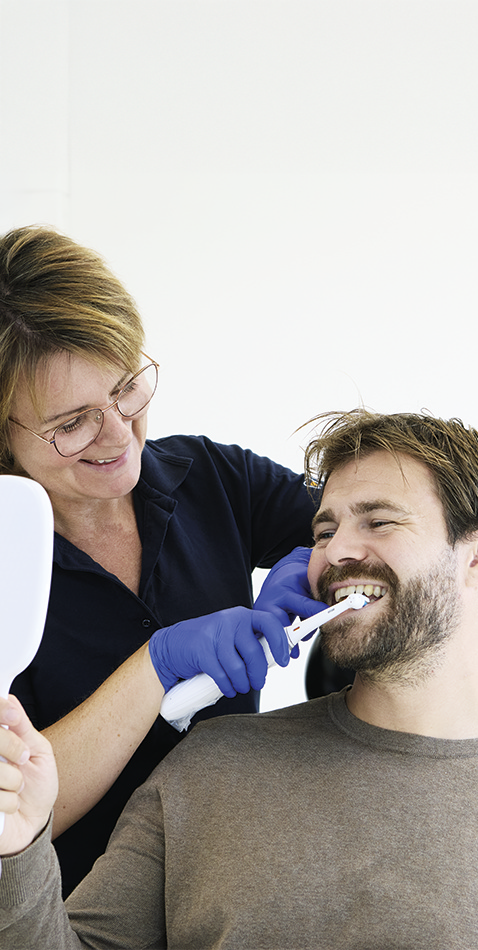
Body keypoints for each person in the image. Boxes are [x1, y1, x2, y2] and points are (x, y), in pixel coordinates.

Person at [2, 407, 478, 949]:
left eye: (379, 522)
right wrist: (17, 847)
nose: (335, 553)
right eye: (325, 530)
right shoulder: (211, 765)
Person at [0, 225, 320, 894]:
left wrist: (311, 562)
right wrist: (155, 666)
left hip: (229, 892)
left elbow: (351, 529)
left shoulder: (209, 476)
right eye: (72, 423)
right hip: (72, 917)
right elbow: (18, 806)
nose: (118, 433)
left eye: (125, 389)